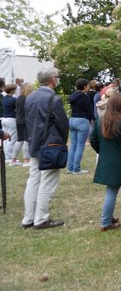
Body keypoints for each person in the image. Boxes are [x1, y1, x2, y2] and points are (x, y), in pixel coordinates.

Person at [21, 67, 69, 230]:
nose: (57, 79)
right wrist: (62, 141)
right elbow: (62, 123)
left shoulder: (30, 97)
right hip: (50, 144)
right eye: (57, 77)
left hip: (34, 143)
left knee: (33, 180)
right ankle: (40, 218)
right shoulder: (52, 99)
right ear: (52, 79)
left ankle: (28, 218)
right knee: (47, 182)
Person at [90, 92, 121, 231]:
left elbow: (93, 141)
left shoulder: (100, 121)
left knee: (111, 190)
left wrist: (102, 152)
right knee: (111, 191)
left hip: (106, 160)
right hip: (119, 161)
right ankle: (105, 222)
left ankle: (108, 217)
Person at [67, 78, 93, 174]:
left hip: (72, 120)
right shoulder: (84, 96)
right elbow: (88, 109)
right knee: (80, 145)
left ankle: (70, 167)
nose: (89, 87)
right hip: (82, 120)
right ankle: (76, 169)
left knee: (73, 145)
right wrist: (90, 119)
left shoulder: (72, 96)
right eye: (88, 86)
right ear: (84, 86)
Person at [11, 83, 34, 167]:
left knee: (19, 140)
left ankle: (13, 159)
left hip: (18, 120)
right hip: (25, 121)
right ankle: (26, 160)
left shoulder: (18, 98)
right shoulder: (26, 99)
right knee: (26, 140)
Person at [2, 84, 17, 163]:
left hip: (4, 119)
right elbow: (17, 110)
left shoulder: (4, 99)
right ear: (12, 91)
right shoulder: (14, 99)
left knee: (4, 139)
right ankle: (8, 157)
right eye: (14, 89)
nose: (15, 90)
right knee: (12, 138)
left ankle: (4, 156)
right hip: (11, 119)